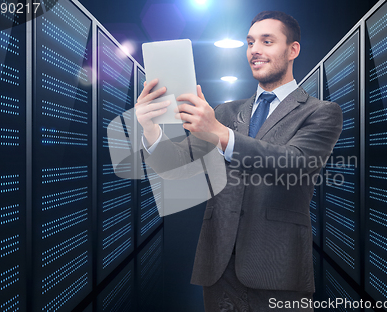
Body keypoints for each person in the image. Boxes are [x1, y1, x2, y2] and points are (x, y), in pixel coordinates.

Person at [135, 10, 343, 311]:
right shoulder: (224, 112)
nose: (255, 50)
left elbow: (295, 164)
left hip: (277, 268)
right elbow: (177, 167)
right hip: (218, 268)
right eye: (250, 42)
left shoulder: (320, 111)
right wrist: (150, 128)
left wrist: (219, 134)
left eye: (267, 41)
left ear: (293, 50)